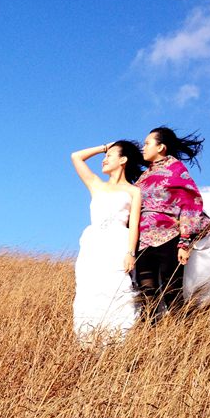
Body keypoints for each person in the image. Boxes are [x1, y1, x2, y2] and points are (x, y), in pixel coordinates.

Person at [70, 140, 144, 344]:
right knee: (89, 290)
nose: (104, 160)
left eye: (109, 156)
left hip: (118, 244)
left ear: (123, 159)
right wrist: (105, 147)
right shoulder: (96, 184)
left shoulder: (134, 191)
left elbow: (134, 224)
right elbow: (76, 156)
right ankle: (88, 342)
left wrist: (130, 253)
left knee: (117, 289)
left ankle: (118, 343)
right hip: (93, 246)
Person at [135, 127, 210, 321]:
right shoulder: (144, 176)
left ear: (161, 147)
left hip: (169, 237)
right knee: (147, 296)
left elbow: (190, 204)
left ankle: (184, 334)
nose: (143, 147)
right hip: (143, 242)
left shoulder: (176, 169)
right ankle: (149, 336)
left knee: (172, 294)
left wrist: (184, 242)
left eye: (147, 143)